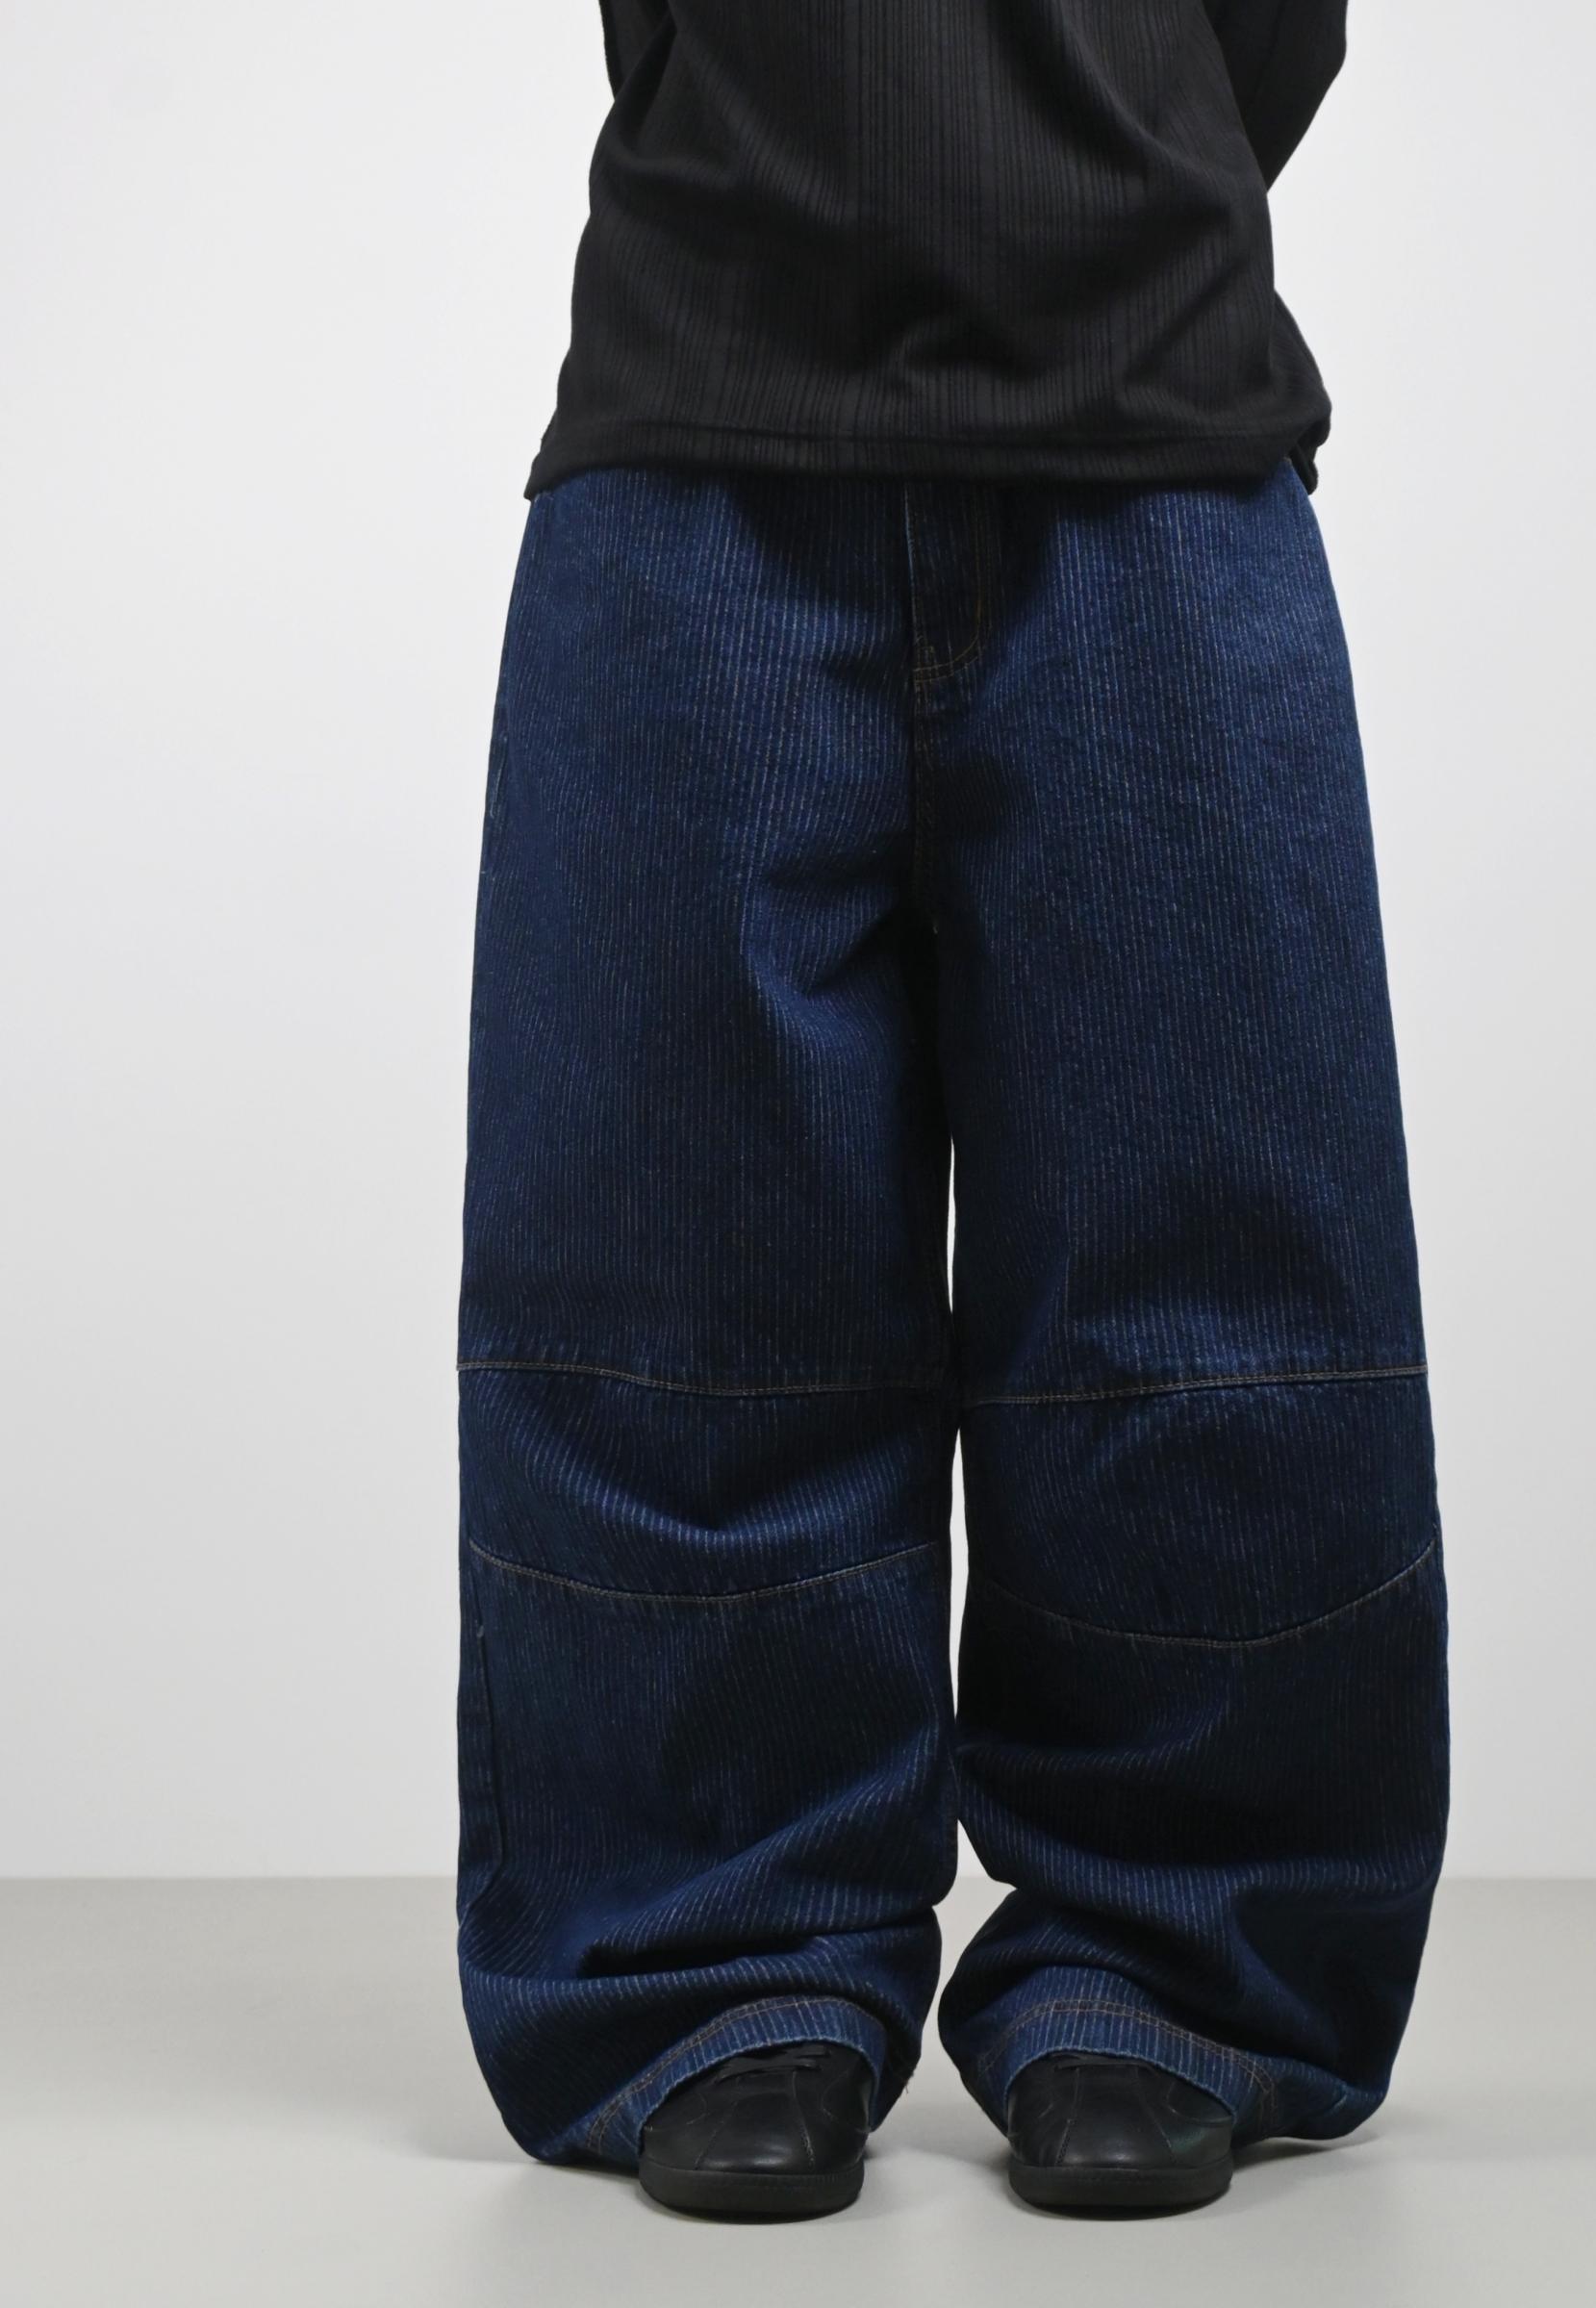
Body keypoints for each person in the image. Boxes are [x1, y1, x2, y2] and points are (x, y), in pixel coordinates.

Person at [455, 0, 1448, 2221]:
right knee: (681, 1269)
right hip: (701, 399)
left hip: (1156, 418)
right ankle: (707, 1965)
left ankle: (1181, 1967)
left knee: (1205, 1263)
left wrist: (1103, 155)